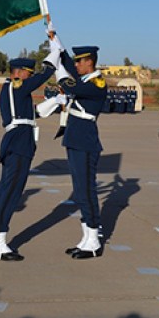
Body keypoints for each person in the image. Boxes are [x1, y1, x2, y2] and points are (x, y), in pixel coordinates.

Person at [0, 38, 59, 261]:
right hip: (18, 142)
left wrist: (56, 100)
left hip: (21, 141)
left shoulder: (18, 93)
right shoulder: (15, 86)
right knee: (11, 191)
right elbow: (43, 76)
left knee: (10, 190)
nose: (30, 76)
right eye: (28, 72)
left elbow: (32, 114)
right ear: (17, 72)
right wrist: (54, 54)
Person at [55, 41, 108, 259]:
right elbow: (68, 66)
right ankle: (86, 238)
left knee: (87, 191)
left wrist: (58, 71)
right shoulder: (84, 79)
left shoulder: (97, 84)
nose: (75, 65)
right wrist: (56, 45)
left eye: (79, 62)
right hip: (75, 140)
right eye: (75, 61)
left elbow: (70, 86)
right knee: (79, 191)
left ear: (89, 62)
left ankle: (94, 240)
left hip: (85, 143)